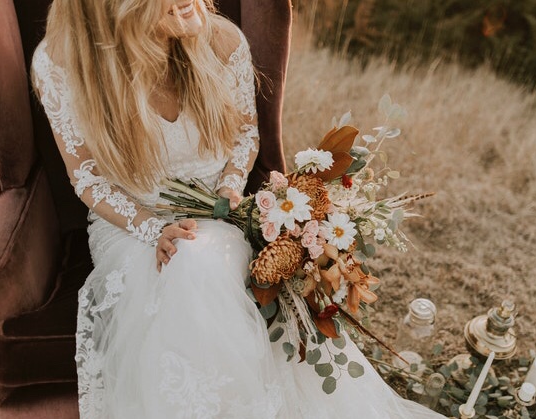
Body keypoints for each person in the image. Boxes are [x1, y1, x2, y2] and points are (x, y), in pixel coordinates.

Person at [32, 0, 445, 417]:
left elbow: (246, 133)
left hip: (218, 217)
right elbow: (87, 177)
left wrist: (229, 191)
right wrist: (151, 229)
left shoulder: (222, 40)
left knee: (198, 258)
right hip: (130, 222)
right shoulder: (63, 63)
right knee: (187, 263)